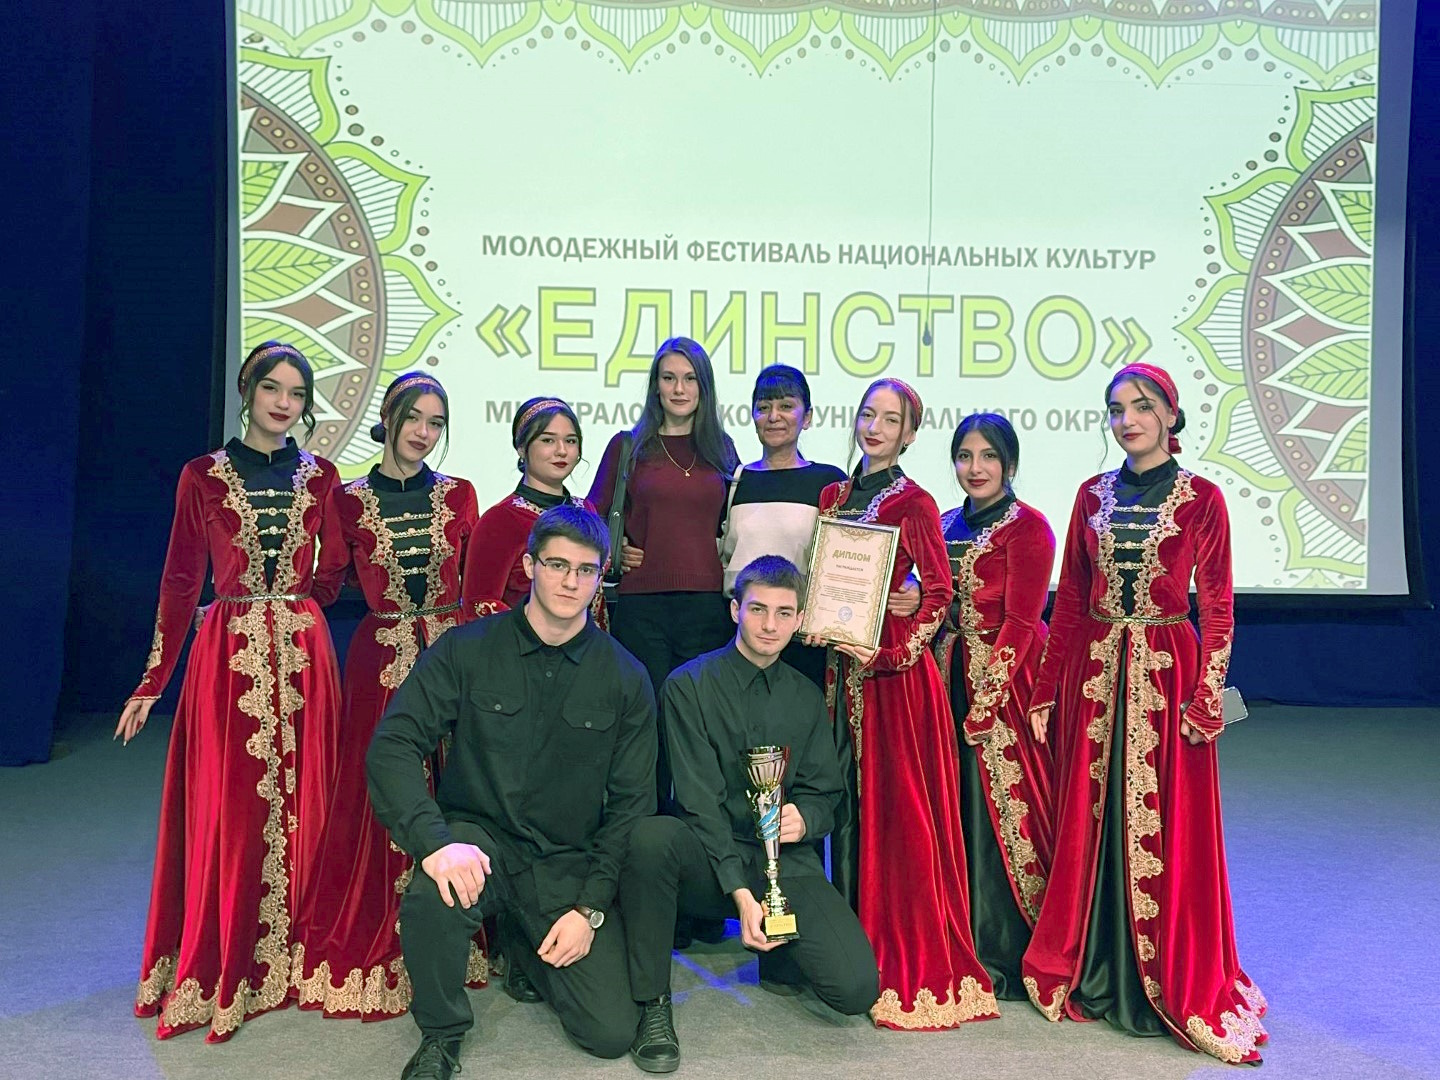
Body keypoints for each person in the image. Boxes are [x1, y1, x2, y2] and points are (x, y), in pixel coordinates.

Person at [1022, 362, 1267, 1064]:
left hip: (1167, 673)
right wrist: (1045, 688)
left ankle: (1165, 971)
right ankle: (1099, 961)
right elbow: (1071, 601)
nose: (1126, 419)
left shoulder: (1202, 499)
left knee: (1168, 821)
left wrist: (1208, 697)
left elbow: (1217, 606)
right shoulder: (1090, 494)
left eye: (1141, 406)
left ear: (1170, 415)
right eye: (1116, 408)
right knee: (1091, 816)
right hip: (1095, 674)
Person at [366, 504, 656, 1080]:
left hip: (565, 859)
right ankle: (441, 1034)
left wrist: (590, 908)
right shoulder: (466, 648)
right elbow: (393, 744)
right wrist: (434, 843)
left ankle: (524, 943)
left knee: (609, 1033)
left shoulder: (626, 676)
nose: (571, 582)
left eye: (587, 570)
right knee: (433, 894)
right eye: (557, 565)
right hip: (480, 844)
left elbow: (631, 807)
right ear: (529, 566)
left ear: (601, 578)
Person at [118, 341, 344, 1041]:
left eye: (298, 394)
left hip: (305, 657)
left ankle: (297, 954)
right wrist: (153, 681)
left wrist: (305, 610)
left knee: (312, 802)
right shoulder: (203, 476)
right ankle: (233, 957)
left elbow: (335, 567)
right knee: (236, 808)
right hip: (230, 655)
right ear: (248, 392)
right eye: (273, 388)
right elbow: (182, 578)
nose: (284, 403)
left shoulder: (323, 477)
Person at [621, 555, 879, 1072]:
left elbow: (826, 794)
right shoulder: (688, 685)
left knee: (855, 989)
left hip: (785, 864)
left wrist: (806, 818)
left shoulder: (806, 696)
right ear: (735, 609)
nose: (769, 625)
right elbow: (697, 802)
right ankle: (651, 1003)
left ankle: (779, 953)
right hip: (708, 863)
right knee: (651, 838)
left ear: (799, 619)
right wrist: (742, 894)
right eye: (758, 609)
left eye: (784, 613)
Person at [293, 372, 486, 1020]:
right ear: (389, 417)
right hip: (379, 658)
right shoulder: (346, 501)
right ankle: (383, 927)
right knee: (381, 786)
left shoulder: (460, 494)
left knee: (458, 784)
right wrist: (262, 604)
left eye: (436, 423)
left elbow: (478, 580)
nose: (424, 433)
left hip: (451, 653)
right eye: (415, 418)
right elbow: (325, 582)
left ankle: (460, 922)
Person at [815, 378, 999, 1031]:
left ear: (910, 434)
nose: (875, 427)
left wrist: (893, 649)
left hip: (894, 681)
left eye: (890, 420)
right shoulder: (833, 496)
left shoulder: (915, 502)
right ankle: (850, 947)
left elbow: (939, 594)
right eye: (869, 415)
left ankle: (897, 950)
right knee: (849, 808)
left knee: (897, 816)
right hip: (842, 672)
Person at [932, 413, 1056, 1001]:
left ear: (1009, 463)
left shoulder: (1029, 528)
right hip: (946, 674)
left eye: (987, 456)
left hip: (1006, 685)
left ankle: (1004, 947)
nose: (975, 468)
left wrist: (987, 700)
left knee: (1001, 812)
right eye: (964, 456)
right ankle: (958, 936)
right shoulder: (944, 522)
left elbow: (1023, 621)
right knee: (955, 805)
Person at [588, 337, 739, 807]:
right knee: (647, 726)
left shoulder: (722, 449)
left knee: (699, 728)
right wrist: (614, 552)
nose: (679, 388)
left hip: (708, 608)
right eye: (669, 378)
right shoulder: (629, 447)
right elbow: (590, 518)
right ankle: (646, 830)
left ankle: (699, 831)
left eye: (690, 379)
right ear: (655, 386)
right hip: (643, 608)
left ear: (704, 387)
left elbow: (737, 524)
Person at [717, 365, 845, 689]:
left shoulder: (829, 482)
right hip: (737, 634)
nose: (774, 416)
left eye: (786, 406)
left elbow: (849, 558)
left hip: (802, 639)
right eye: (764, 407)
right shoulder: (735, 481)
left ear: (808, 417)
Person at [464, 396, 600, 622]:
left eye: (570, 441)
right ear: (521, 448)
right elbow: (478, 603)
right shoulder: (501, 520)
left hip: (589, 640)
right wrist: (538, 632)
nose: (561, 451)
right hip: (524, 643)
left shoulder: (586, 509)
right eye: (548, 440)